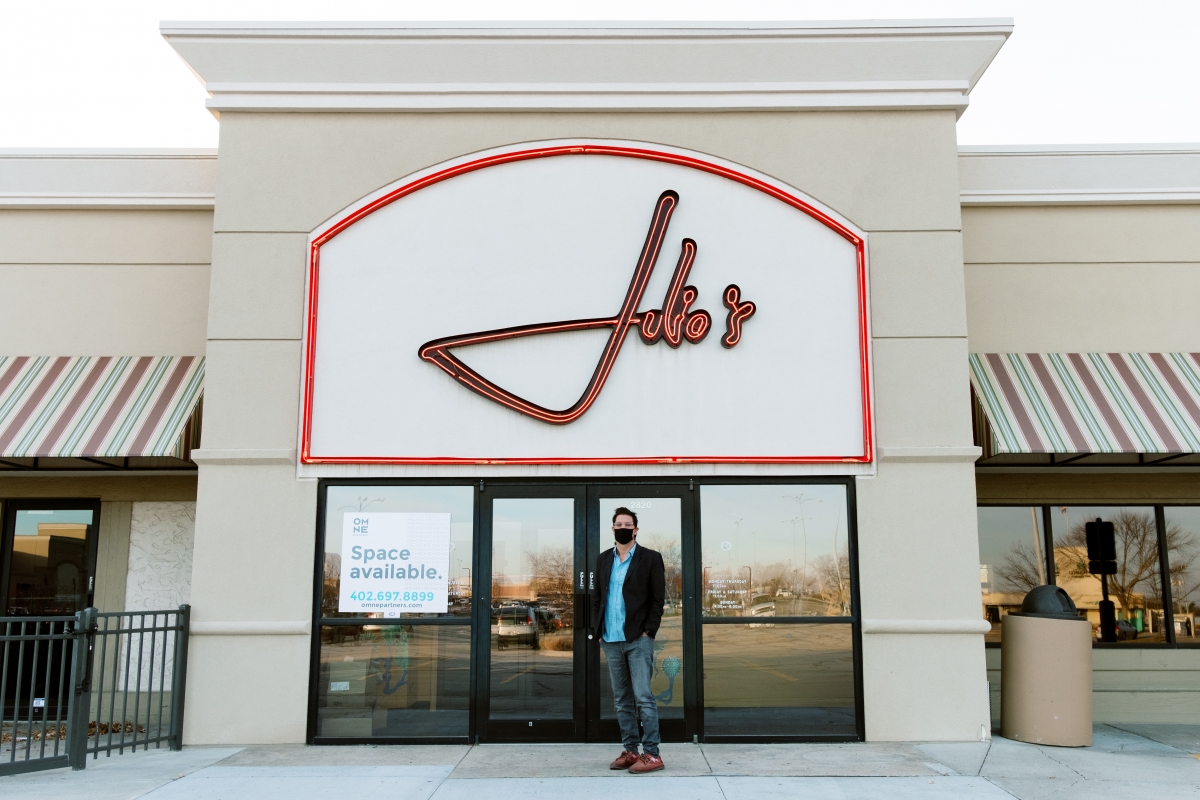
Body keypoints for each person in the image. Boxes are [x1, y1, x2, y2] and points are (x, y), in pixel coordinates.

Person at [592, 506, 666, 773]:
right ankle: (632, 751)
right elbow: (598, 598)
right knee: (622, 699)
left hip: (637, 638)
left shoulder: (650, 558)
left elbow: (658, 600)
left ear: (635, 529)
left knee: (643, 697)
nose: (623, 528)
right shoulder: (603, 559)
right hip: (610, 639)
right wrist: (598, 630)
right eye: (618, 524)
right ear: (613, 529)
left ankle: (653, 754)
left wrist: (648, 631)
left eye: (628, 524)